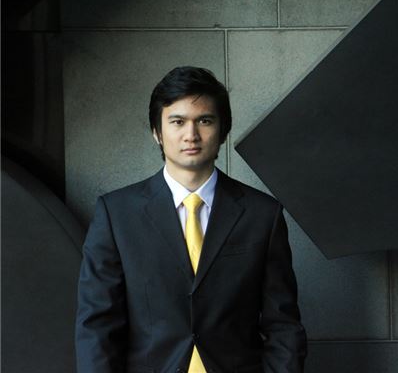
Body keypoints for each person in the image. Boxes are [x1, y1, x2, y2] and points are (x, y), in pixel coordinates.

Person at [75, 66, 307, 373]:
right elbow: (97, 326)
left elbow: (284, 325)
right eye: (178, 122)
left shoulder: (262, 214)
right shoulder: (116, 214)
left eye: (205, 121)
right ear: (157, 132)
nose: (191, 135)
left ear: (223, 130)